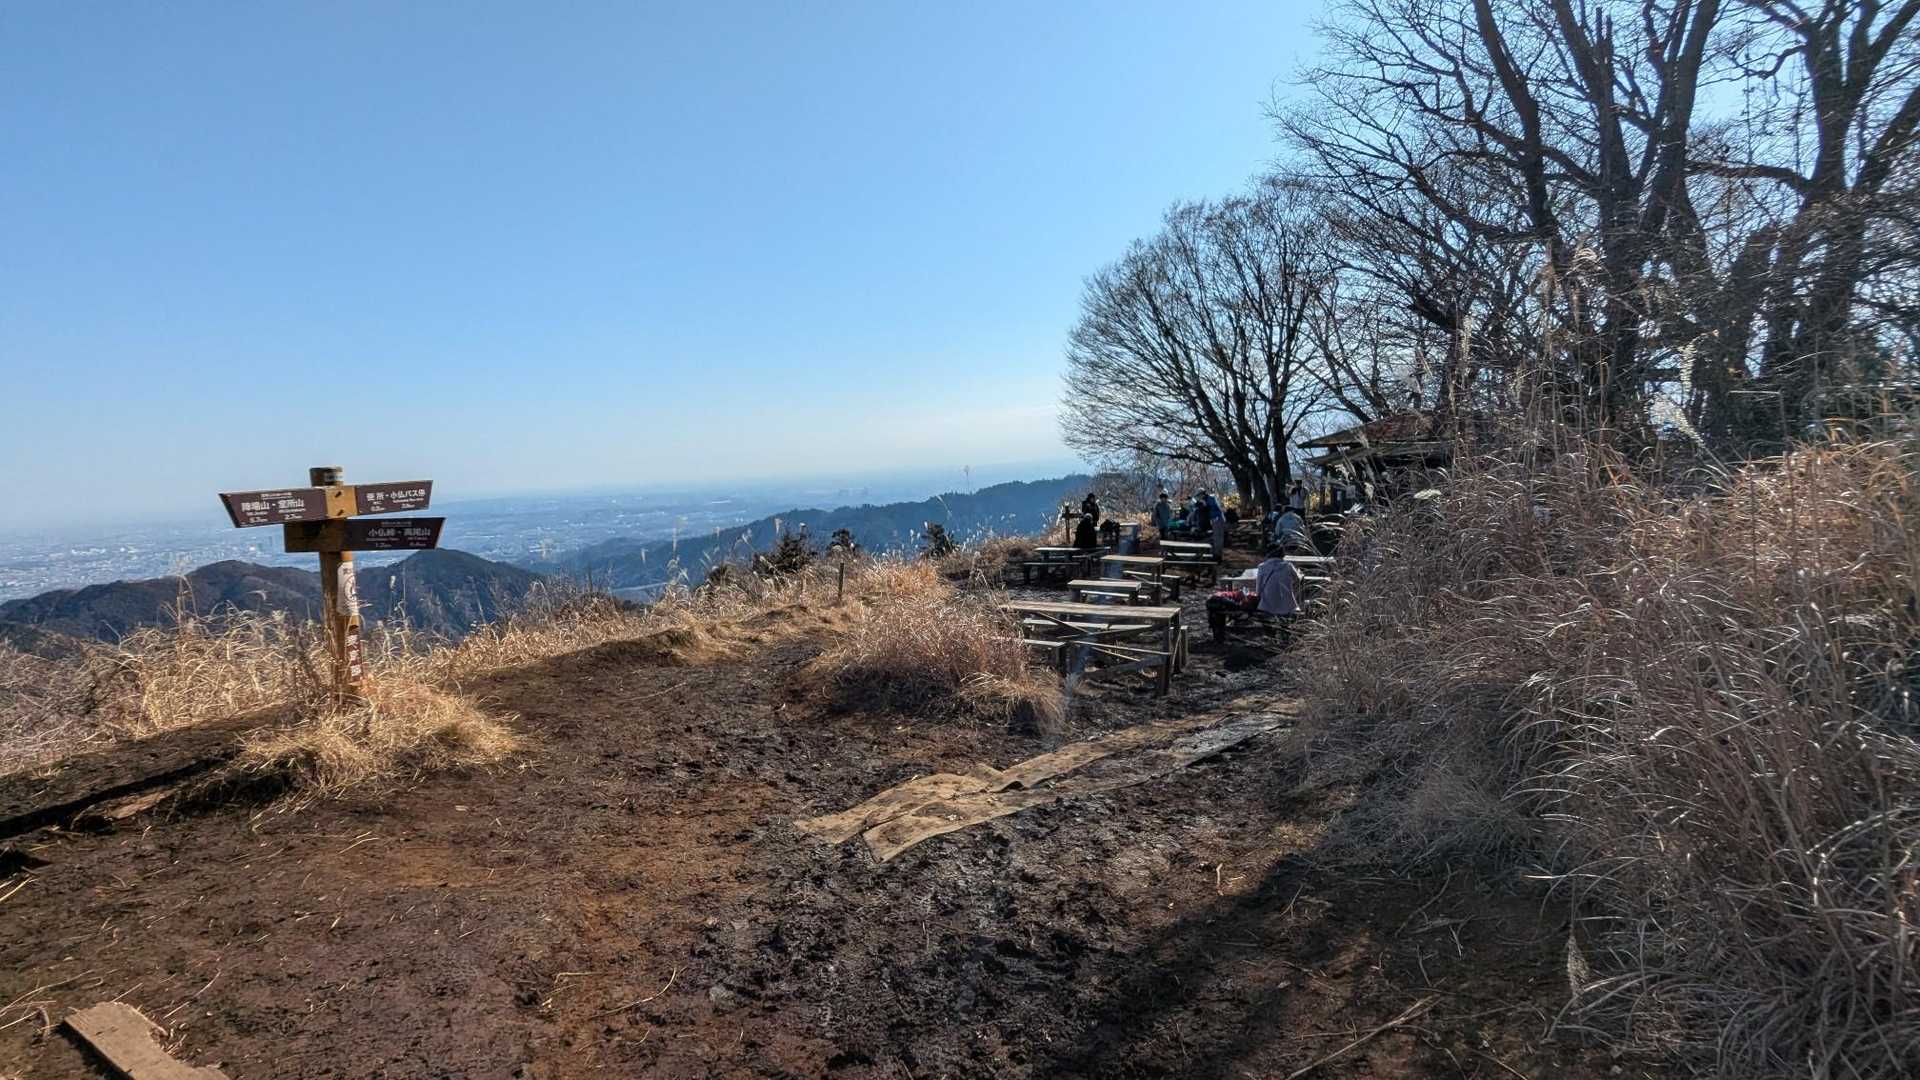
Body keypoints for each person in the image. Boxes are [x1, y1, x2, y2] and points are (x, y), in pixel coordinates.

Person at [1255, 544, 1305, 645]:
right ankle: (1285, 638)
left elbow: (1258, 588)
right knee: (1286, 619)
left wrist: (1258, 597)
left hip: (1268, 603)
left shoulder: (1262, 567)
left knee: (1264, 615)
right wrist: (1300, 573)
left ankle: (1270, 637)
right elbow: (1297, 579)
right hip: (1286, 602)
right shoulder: (1288, 566)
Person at [1205, 490, 1228, 560]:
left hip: (1217, 519)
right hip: (1216, 519)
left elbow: (1220, 509)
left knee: (1218, 538)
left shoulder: (1211, 499)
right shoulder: (1210, 499)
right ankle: (1218, 554)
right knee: (1218, 538)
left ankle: (1217, 555)